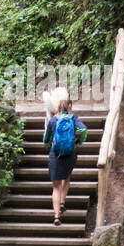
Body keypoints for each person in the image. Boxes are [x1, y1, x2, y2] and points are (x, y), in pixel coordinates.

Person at [42, 89, 87, 226]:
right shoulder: (74, 118)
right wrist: (79, 142)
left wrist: (48, 144)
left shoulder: (54, 120)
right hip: (70, 153)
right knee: (66, 178)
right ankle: (62, 203)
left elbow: (46, 139)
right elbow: (84, 129)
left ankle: (56, 217)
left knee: (56, 187)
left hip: (55, 154)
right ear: (69, 106)